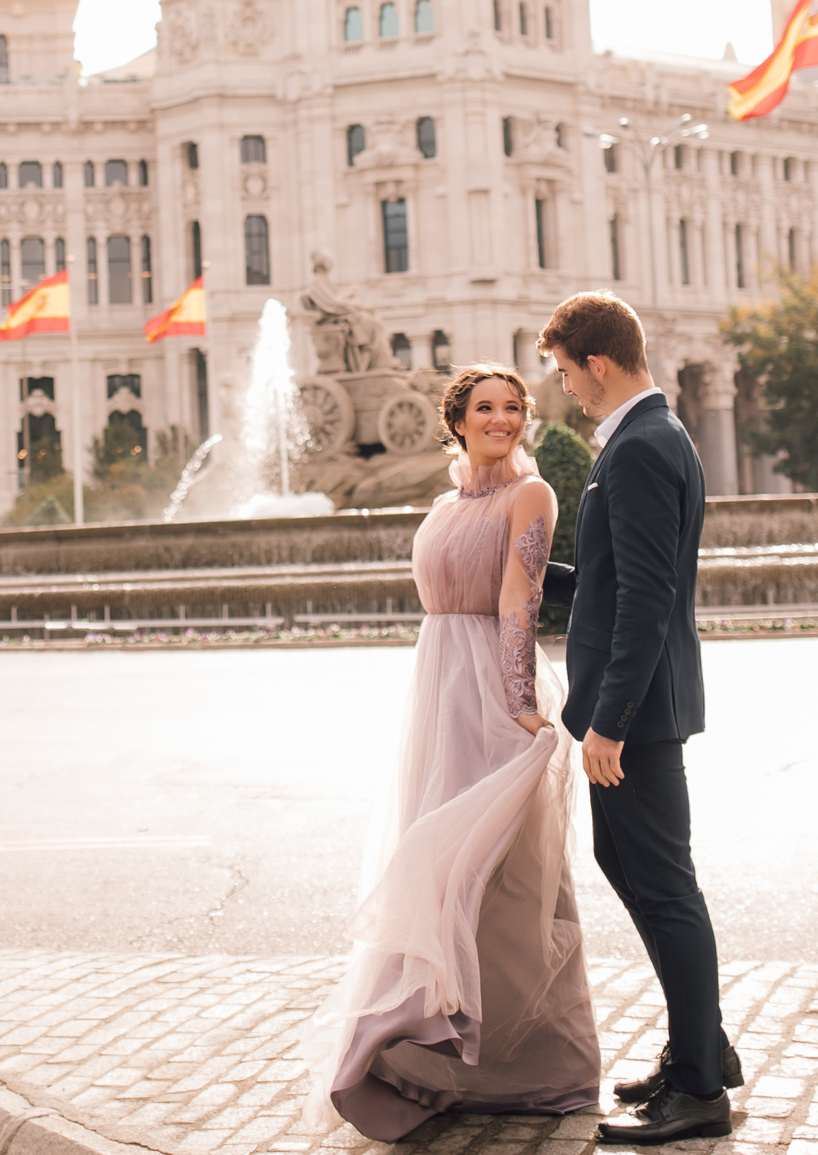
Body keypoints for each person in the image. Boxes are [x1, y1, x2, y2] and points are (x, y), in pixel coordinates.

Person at [299, 364, 601, 1141]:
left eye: (513, 407)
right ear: (457, 420)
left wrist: (519, 702)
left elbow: (518, 599)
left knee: (505, 874)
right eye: (485, 408)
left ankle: (544, 1064)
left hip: (491, 694)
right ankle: (437, 1063)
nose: (502, 418)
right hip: (438, 694)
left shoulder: (532, 494)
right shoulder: (442, 504)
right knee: (441, 868)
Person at [536, 292, 738, 1146]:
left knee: (664, 887)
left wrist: (608, 721)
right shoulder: (648, 437)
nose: (566, 391)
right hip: (638, 705)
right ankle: (700, 1044)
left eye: (565, 372)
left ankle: (698, 1087)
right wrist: (517, 568)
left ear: (600, 363)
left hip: (638, 714)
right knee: (628, 861)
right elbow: (615, 584)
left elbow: (650, 596)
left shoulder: (643, 445)